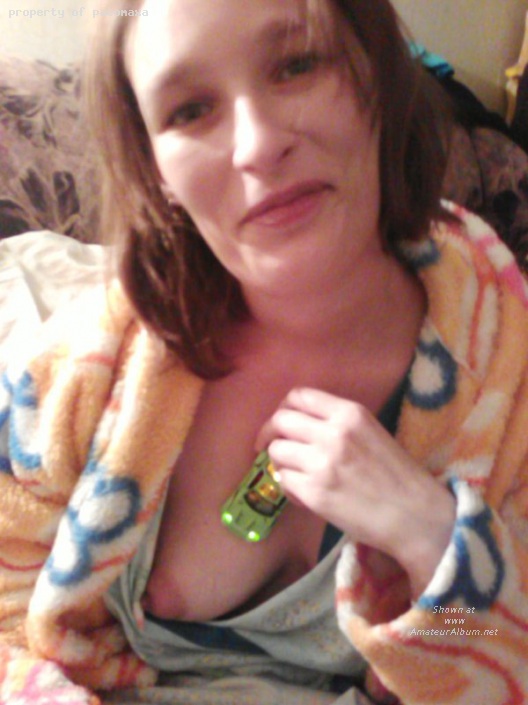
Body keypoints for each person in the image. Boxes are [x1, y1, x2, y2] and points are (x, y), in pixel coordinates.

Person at [0, 0, 527, 703]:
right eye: (190, 110)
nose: (257, 145)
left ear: (376, 72)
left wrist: (437, 546)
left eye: (296, 65)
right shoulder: (78, 373)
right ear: (156, 169)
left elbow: (502, 656)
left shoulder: (504, 382)